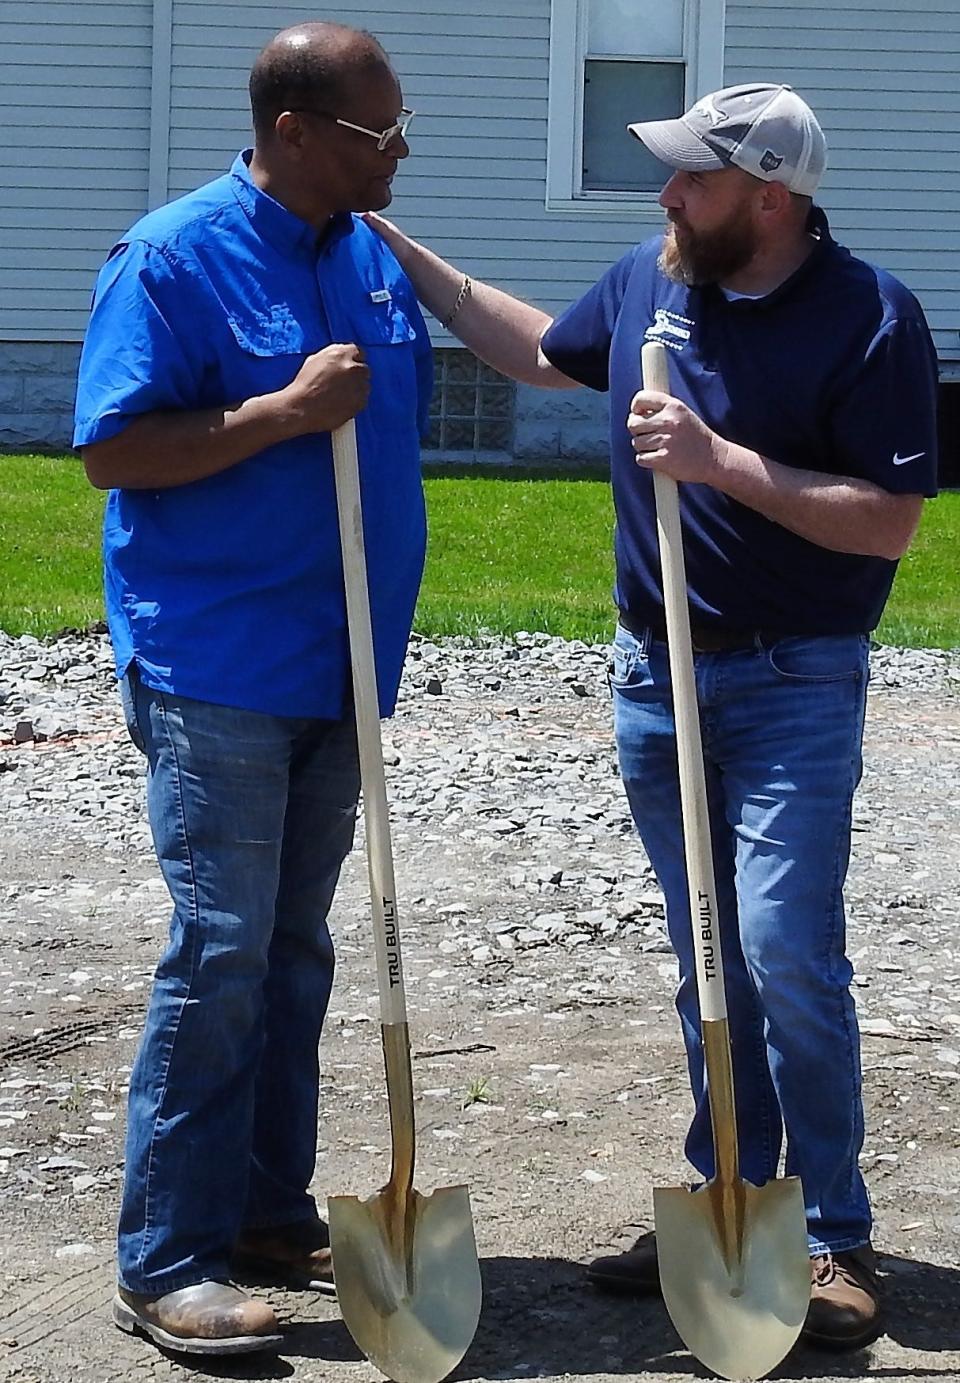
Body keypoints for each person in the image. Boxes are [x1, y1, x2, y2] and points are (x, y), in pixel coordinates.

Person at [365, 83, 939, 1349]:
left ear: (771, 195)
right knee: (708, 963)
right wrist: (398, 251)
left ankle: (835, 1233)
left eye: (693, 178)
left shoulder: (870, 316)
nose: (667, 196)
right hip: (654, 676)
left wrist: (719, 459)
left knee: (788, 952)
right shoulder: (646, 278)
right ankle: (730, 1186)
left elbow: (888, 521)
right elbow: (538, 352)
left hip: (795, 677)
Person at [73, 21, 432, 1357]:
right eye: (375, 131)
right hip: (218, 662)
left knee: (294, 947)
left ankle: (267, 1206)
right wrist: (279, 413)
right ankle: (164, 1253)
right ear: (294, 129)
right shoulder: (173, 255)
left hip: (339, 664)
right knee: (221, 949)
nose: (398, 151)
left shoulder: (368, 257)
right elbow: (115, 451)